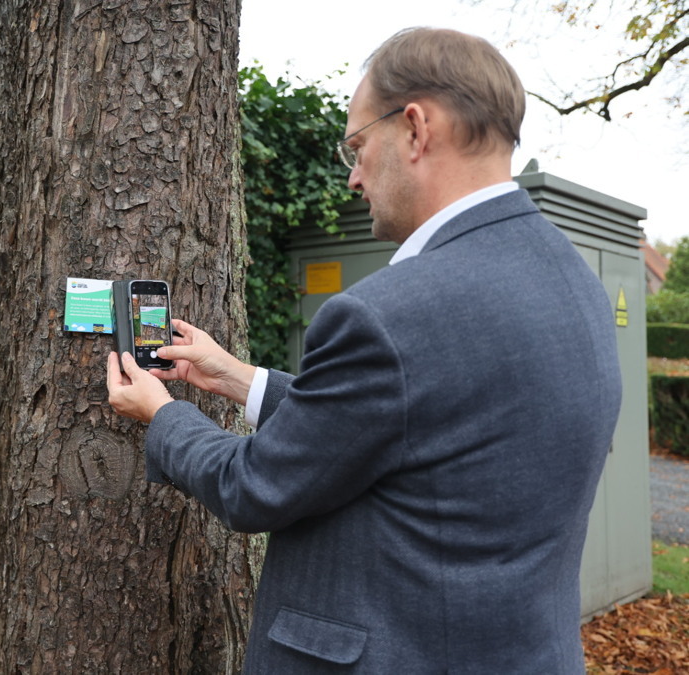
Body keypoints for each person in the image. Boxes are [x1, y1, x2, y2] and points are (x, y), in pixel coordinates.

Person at [107, 27, 622, 674]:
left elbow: (255, 485)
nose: (352, 176)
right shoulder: (577, 284)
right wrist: (241, 379)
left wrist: (162, 413)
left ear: (415, 128)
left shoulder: (388, 314)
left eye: (356, 146)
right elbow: (426, 427)